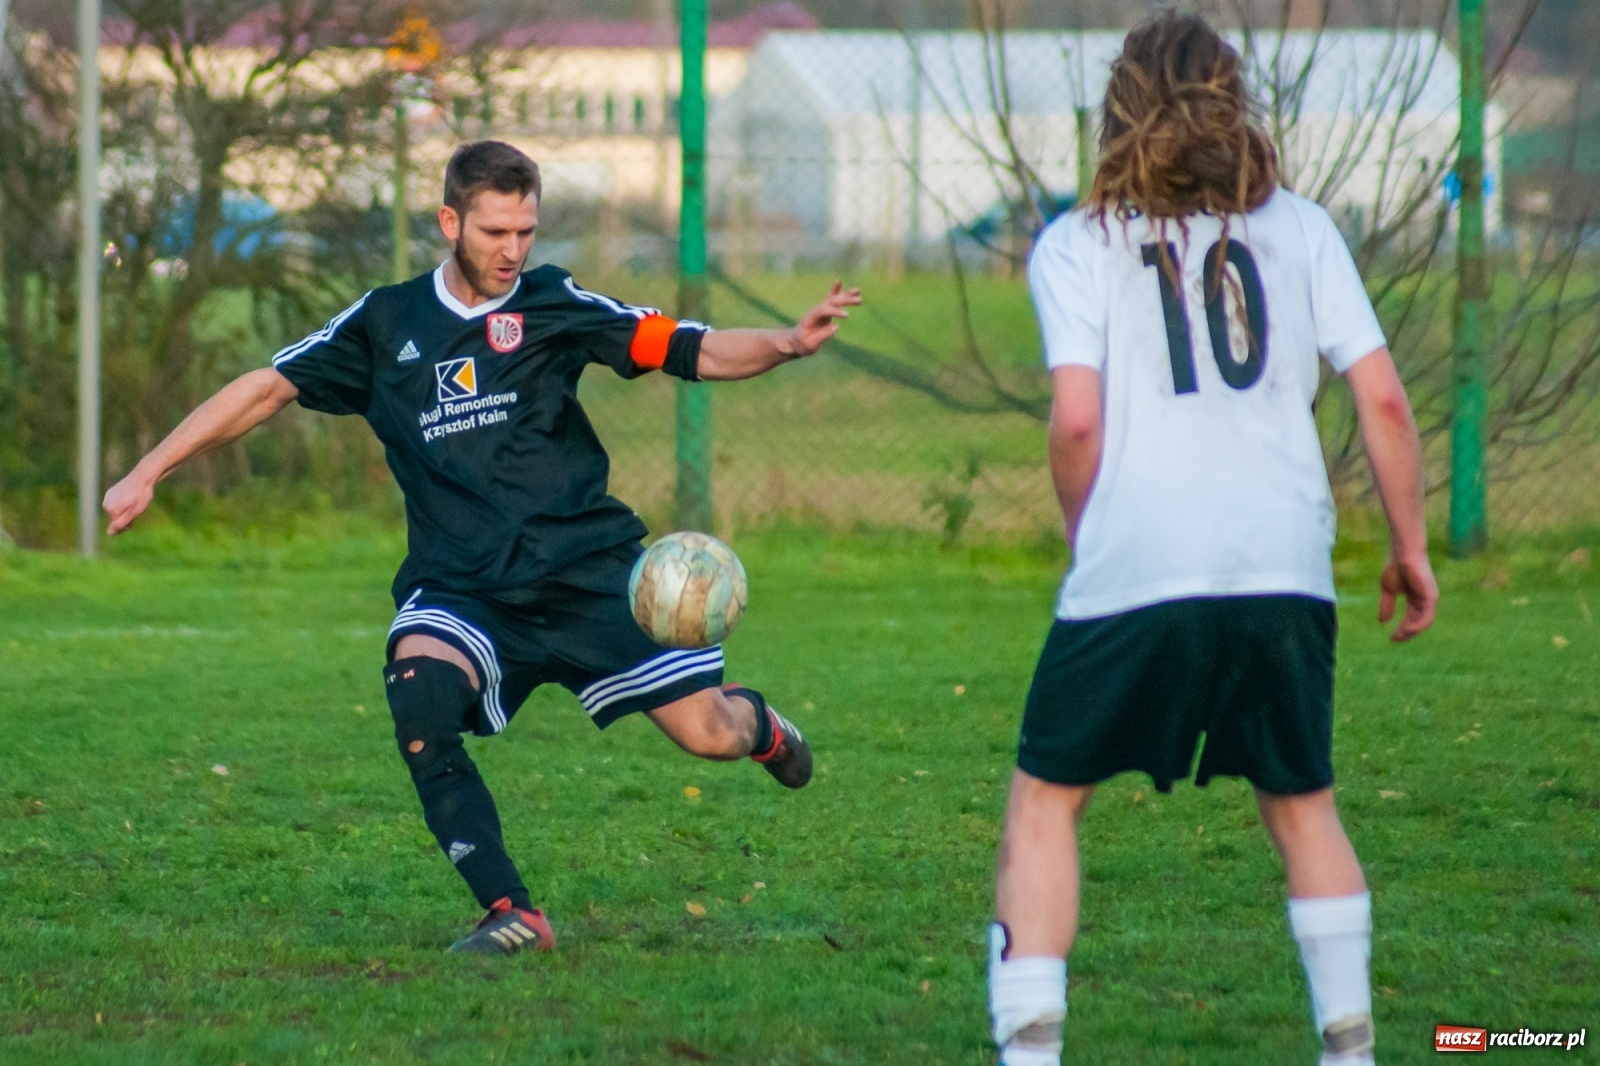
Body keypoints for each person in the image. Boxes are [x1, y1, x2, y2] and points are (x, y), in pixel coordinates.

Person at [104, 140, 861, 955]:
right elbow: (266, 388)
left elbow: (686, 347)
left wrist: (786, 341)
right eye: (495, 231)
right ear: (450, 221)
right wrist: (150, 469)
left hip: (589, 575)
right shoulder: (385, 322)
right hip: (465, 587)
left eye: (526, 231)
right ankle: (514, 912)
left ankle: (767, 729)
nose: (513, 250)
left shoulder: (552, 303)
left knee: (708, 736)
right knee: (419, 692)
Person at [987, 15, 1438, 1066]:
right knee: (1302, 803)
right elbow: (1383, 399)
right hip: (1284, 563)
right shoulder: (1302, 229)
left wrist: (1082, 528)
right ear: (1235, 107)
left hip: (1137, 563)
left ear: (1118, 112)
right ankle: (1349, 1046)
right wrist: (1408, 543)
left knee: (1046, 805)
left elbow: (1078, 420)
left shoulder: (1076, 243)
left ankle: (1030, 1053)